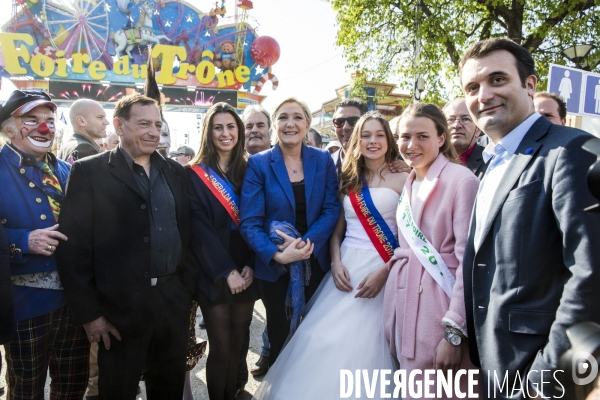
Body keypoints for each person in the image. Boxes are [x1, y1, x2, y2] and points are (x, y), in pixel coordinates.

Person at [459, 38, 600, 398]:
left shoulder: (573, 151)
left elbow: (591, 278)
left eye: (497, 79)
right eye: (472, 87)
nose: (484, 94)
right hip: (496, 368)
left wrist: (551, 382)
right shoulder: (492, 163)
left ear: (530, 85)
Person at [254, 112, 406, 399]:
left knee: (369, 344)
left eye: (379, 135)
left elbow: (410, 238)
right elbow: (338, 230)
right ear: (357, 141)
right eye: (365, 135)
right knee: (321, 338)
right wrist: (336, 262)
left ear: (389, 139)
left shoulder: (405, 176)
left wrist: (386, 270)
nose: (372, 141)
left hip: (385, 267)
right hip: (346, 265)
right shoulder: (349, 177)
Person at [56, 93, 195, 400]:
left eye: (157, 124)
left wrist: (184, 291)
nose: (153, 132)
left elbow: (187, 234)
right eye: (143, 123)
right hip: (117, 311)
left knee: (169, 388)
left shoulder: (176, 173)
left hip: (172, 303)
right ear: (118, 126)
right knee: (117, 390)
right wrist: (90, 315)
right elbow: (73, 250)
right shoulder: (89, 172)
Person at [383, 103, 480, 399]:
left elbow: (470, 263)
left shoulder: (461, 181)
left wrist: (454, 331)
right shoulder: (411, 179)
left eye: (422, 136)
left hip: (440, 309)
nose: (411, 145)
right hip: (406, 302)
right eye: (404, 137)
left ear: (441, 138)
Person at [0, 89, 90, 399]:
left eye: (50, 120)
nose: (44, 127)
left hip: (74, 301)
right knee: (27, 389)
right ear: (8, 129)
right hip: (24, 304)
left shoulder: (67, 170)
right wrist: (23, 240)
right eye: (32, 119)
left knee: (72, 386)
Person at [240, 97, 341, 366]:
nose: (290, 123)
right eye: (283, 117)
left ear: (307, 123)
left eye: (297, 117)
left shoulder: (322, 160)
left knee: (316, 340)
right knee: (281, 341)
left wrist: (305, 244)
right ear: (274, 124)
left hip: (315, 262)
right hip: (275, 271)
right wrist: (278, 255)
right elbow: (250, 221)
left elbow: (331, 209)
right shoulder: (259, 164)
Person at [188, 102, 259, 400]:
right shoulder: (194, 174)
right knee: (222, 344)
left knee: (240, 340)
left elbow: (261, 219)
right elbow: (198, 227)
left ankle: (233, 393)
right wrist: (225, 270)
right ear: (208, 132)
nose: (225, 133)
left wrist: (253, 264)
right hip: (213, 268)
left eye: (231, 126)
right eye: (218, 127)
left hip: (246, 263)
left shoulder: (252, 168)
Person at [241, 104, 272, 381]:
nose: (254, 130)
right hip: (240, 260)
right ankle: (236, 378)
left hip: (275, 255)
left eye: (259, 125)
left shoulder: (285, 159)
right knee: (239, 325)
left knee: (274, 317)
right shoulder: (233, 163)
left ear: (269, 130)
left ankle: (267, 352)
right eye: (248, 126)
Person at [442, 98, 488, 178]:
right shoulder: (430, 161)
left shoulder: (490, 162)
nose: (456, 125)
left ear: (478, 129)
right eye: (450, 120)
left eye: (465, 119)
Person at [59, 99, 109, 163]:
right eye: (100, 117)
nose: (107, 122)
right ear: (81, 121)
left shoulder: (66, 146)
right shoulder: (84, 148)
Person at [331, 98, 369, 175]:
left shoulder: (387, 163)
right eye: (339, 122)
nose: (345, 127)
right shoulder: (327, 163)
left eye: (353, 121)